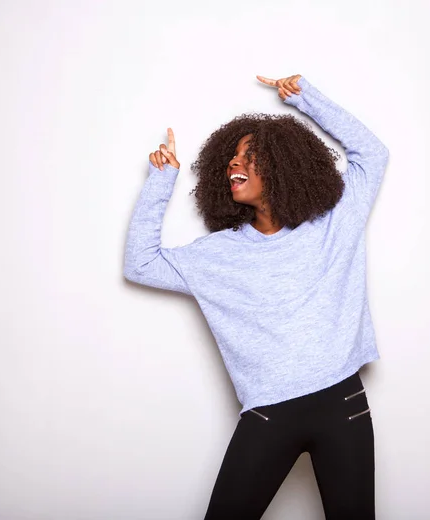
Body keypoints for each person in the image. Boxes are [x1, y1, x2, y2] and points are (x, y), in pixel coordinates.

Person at [123, 74, 389, 520]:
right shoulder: (219, 254)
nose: (233, 163)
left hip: (342, 404)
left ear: (283, 165)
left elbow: (373, 155)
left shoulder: (334, 223)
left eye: (249, 156)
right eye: (231, 157)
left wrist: (307, 98)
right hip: (268, 414)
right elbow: (140, 264)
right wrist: (161, 181)